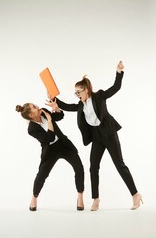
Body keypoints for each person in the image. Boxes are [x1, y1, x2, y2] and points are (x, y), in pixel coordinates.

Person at [46, 61, 143, 211]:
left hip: (109, 133)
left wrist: (119, 72)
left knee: (119, 164)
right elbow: (67, 106)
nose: (77, 95)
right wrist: (54, 100)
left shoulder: (99, 96)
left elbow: (115, 88)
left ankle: (135, 195)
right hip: (97, 137)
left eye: (79, 92)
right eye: (75, 93)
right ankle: (96, 199)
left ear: (86, 90)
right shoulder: (80, 105)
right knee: (93, 167)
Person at [15, 103, 84, 211]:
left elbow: (59, 117)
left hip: (63, 144)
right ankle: (34, 196)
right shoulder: (32, 129)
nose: (37, 106)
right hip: (50, 150)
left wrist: (56, 109)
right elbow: (50, 138)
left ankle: (80, 196)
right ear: (31, 115)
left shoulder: (44, 111)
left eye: (35, 105)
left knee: (79, 168)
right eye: (34, 107)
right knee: (42, 174)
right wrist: (50, 121)